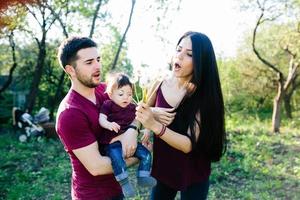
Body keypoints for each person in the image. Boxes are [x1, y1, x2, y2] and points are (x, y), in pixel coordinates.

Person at [136, 31, 226, 200]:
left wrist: (155, 126)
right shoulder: (159, 84)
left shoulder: (204, 96)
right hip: (164, 168)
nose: (180, 56)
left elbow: (188, 145)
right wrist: (147, 127)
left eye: (189, 54)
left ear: (201, 61)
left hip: (194, 171)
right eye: (178, 50)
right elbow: (142, 112)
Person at [55, 36, 138, 200]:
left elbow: (136, 112)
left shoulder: (106, 90)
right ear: (71, 70)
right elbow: (97, 167)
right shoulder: (70, 113)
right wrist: (141, 155)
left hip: (116, 188)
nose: (98, 66)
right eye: (89, 62)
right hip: (92, 195)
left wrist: (132, 129)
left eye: (98, 59)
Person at [98, 72, 156, 198]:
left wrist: (146, 129)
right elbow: (101, 119)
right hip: (113, 143)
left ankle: (143, 176)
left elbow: (141, 118)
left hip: (131, 142)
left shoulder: (132, 107)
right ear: (110, 94)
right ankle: (124, 183)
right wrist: (108, 124)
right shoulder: (108, 105)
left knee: (146, 154)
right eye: (121, 94)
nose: (126, 97)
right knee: (117, 158)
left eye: (129, 94)